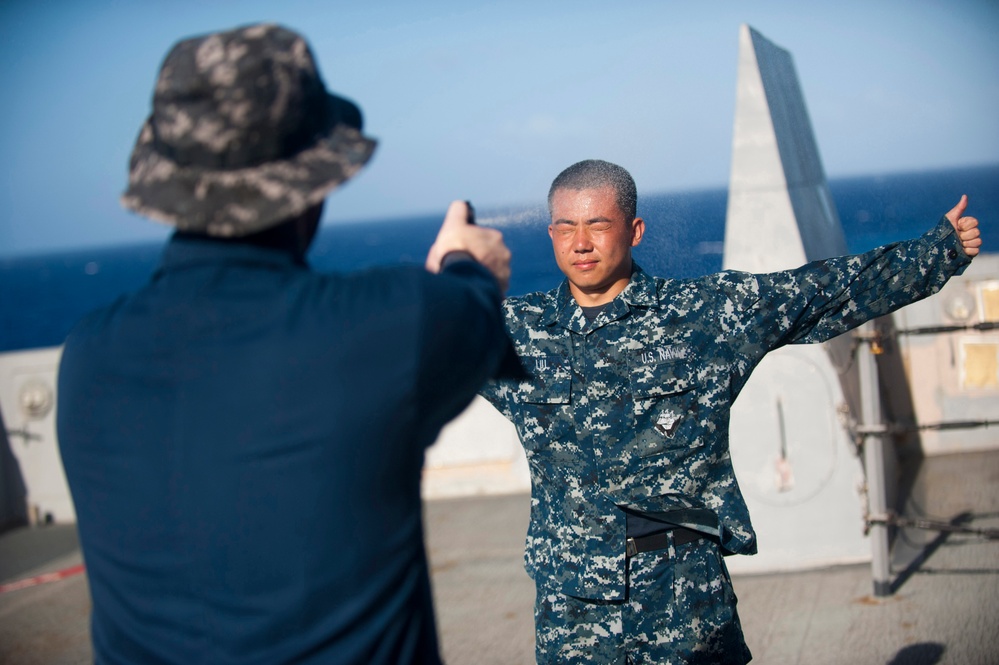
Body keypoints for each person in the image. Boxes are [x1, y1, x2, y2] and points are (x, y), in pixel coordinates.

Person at [57, 23, 512, 665]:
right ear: (316, 185)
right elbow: (475, 302)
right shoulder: (393, 323)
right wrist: (464, 257)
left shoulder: (87, 357)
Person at [480, 159, 982, 663]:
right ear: (551, 233)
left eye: (598, 224)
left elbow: (821, 292)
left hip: (684, 604)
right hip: (573, 616)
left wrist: (941, 251)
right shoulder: (515, 334)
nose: (580, 242)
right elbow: (414, 337)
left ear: (634, 231)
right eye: (566, 227)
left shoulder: (704, 316)